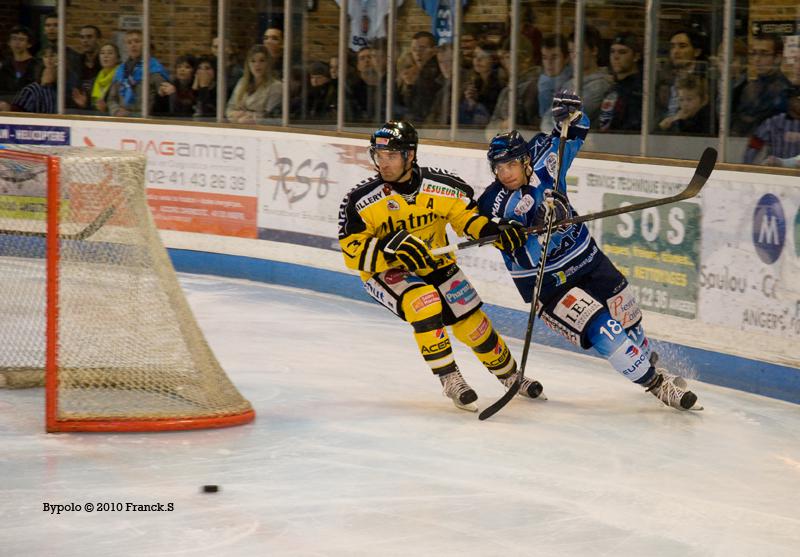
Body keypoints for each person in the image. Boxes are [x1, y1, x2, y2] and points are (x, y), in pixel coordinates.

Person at [476, 91, 701, 411]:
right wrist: (522, 228)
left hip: (586, 258)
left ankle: (647, 362)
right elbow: (508, 232)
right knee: (604, 329)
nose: (505, 173)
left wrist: (570, 115)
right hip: (548, 283)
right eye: (498, 167)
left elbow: (578, 129)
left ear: (526, 160)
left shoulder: (547, 160)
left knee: (629, 316)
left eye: (511, 164)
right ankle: (657, 385)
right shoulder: (494, 201)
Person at [337, 121, 543, 412]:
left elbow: (466, 219)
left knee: (474, 323)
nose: (383, 163)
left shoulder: (442, 186)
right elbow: (351, 251)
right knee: (425, 303)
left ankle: (510, 376)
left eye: (391, 156)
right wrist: (387, 249)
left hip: (435, 263)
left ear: (410, 156)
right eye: (379, 156)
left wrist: (494, 232)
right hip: (386, 271)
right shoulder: (360, 200)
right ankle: (450, 378)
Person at [731, 34, 791, 136]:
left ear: (777, 58)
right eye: (753, 53)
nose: (757, 59)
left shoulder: (785, 90)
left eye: (764, 54)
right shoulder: (747, 87)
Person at [106, 30, 170, 117]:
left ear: (145, 45)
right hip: (122, 119)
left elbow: (162, 87)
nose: (133, 45)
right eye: (129, 42)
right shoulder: (120, 70)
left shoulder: (153, 67)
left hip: (144, 119)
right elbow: (111, 98)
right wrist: (116, 111)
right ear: (125, 47)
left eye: (137, 41)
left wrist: (164, 89)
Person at [561, 25, 612, 129]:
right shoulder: (568, 83)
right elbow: (549, 116)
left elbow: (572, 117)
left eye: (579, 50)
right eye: (571, 51)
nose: (574, 55)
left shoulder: (602, 84)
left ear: (594, 51)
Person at [743, 85, 800, 168]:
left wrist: (782, 162)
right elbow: (754, 146)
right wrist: (746, 167)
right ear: (790, 100)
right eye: (797, 99)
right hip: (775, 173)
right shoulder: (774, 122)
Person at [598, 33, 643, 132]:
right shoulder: (612, 87)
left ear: (636, 56)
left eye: (622, 52)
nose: (616, 56)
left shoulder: (640, 90)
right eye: (612, 52)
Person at [225, 45, 282, 123]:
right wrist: (236, 116)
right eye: (253, 61)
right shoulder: (242, 82)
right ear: (248, 64)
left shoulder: (276, 86)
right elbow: (229, 109)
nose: (257, 65)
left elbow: (270, 116)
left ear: (268, 63)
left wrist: (248, 117)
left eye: (262, 60)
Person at [0, 46, 57, 113]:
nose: (49, 59)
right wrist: (9, 108)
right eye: (46, 56)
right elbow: (18, 111)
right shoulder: (32, 90)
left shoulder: (62, 88)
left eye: (52, 56)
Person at [71, 42, 120, 113]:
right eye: (102, 53)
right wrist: (84, 104)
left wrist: (106, 110)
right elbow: (93, 108)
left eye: (110, 53)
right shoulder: (94, 80)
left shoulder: (121, 78)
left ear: (117, 58)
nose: (105, 56)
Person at [538, 34, 572, 132]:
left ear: (566, 59)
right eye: (545, 57)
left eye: (554, 58)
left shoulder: (573, 84)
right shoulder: (538, 84)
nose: (549, 62)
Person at [0, 26, 40, 102]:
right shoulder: (4, 66)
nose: (17, 43)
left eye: (21, 39)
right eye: (14, 39)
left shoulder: (37, 65)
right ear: (9, 43)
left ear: (29, 44)